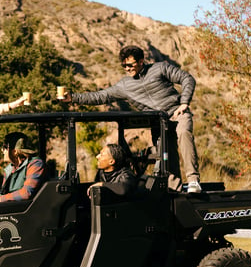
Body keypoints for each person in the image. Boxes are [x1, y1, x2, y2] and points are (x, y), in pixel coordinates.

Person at [62, 45, 202, 193]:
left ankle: (193, 181)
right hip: (159, 122)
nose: (127, 68)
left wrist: (184, 102)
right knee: (166, 154)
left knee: (184, 133)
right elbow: (100, 96)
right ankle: (175, 190)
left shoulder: (160, 68)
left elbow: (187, 78)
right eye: (124, 66)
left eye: (130, 65)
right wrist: (73, 98)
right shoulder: (124, 85)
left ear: (141, 61)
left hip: (177, 113)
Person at [73, 143, 138, 267]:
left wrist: (103, 185)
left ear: (112, 160)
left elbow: (124, 189)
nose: (97, 157)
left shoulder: (126, 175)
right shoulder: (103, 172)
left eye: (101, 154)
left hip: (122, 228)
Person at [0, 132, 47, 203]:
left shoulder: (36, 164)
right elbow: (3, 194)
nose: (2, 150)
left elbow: (26, 193)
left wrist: (1, 199)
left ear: (14, 151)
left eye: (5, 147)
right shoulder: (9, 169)